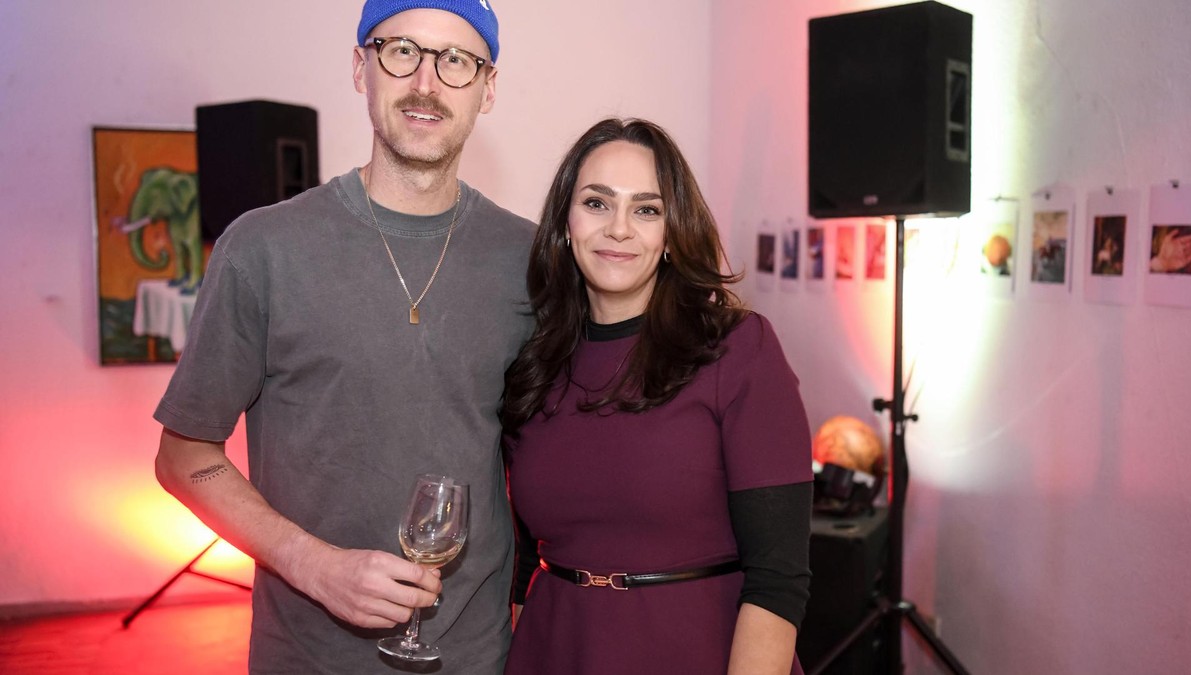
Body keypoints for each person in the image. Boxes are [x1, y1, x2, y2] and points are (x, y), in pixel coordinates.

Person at [152, 2, 532, 673]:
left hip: (475, 657)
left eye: (455, 61)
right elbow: (182, 457)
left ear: (488, 88)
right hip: (306, 656)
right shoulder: (263, 249)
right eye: (400, 52)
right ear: (362, 68)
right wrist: (314, 566)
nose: (426, 82)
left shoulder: (528, 260)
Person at [501, 118, 814, 674]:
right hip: (554, 653)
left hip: (695, 652)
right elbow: (526, 560)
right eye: (597, 203)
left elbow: (778, 579)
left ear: (672, 233)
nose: (619, 229)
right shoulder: (533, 362)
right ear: (565, 222)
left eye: (646, 209)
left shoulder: (738, 350)